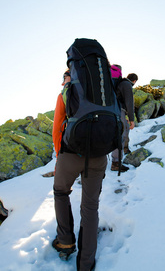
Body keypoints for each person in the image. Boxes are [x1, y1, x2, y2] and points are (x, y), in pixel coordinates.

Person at [52, 70, 107, 271]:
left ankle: (65, 241)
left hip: (71, 154)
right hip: (99, 155)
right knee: (90, 208)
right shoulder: (103, 93)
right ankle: (86, 264)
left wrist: (60, 157)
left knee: (60, 191)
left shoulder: (65, 94)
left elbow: (58, 127)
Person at [110, 64, 138, 172]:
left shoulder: (119, 83)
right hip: (118, 111)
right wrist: (132, 119)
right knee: (120, 136)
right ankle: (116, 163)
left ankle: (118, 157)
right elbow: (129, 103)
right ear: (134, 81)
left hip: (112, 110)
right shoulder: (127, 85)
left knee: (119, 134)